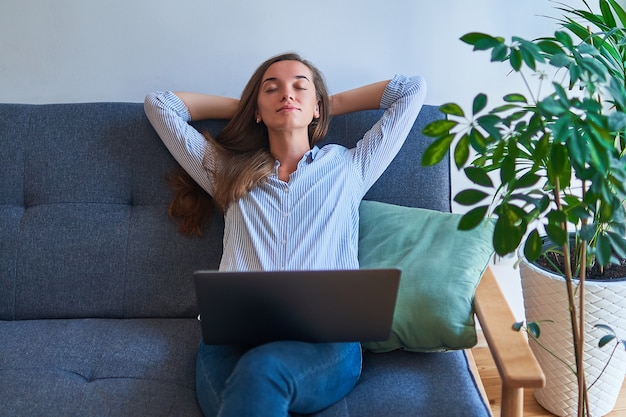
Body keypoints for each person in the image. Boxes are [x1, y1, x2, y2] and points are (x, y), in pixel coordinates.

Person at [144, 52, 426, 417]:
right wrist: (249, 108)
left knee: (261, 374)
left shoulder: (349, 167)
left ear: (317, 108)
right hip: (232, 340)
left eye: (299, 87)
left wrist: (327, 104)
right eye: (271, 89)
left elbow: (410, 90)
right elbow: (160, 105)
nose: (286, 95)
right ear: (257, 112)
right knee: (248, 394)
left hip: (327, 340)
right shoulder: (226, 172)